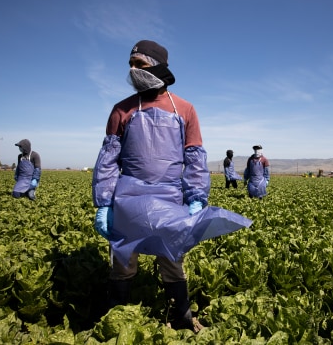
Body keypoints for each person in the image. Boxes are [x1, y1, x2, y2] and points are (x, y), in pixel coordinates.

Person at [91, 40, 251, 331]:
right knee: (122, 260)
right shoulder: (121, 110)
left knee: (172, 258)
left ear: (158, 66)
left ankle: (182, 316)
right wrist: (104, 203)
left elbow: (194, 158)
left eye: (140, 64)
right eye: (130, 64)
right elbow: (108, 160)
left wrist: (196, 197)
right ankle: (117, 318)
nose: (133, 70)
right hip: (128, 198)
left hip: (169, 198)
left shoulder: (185, 110)